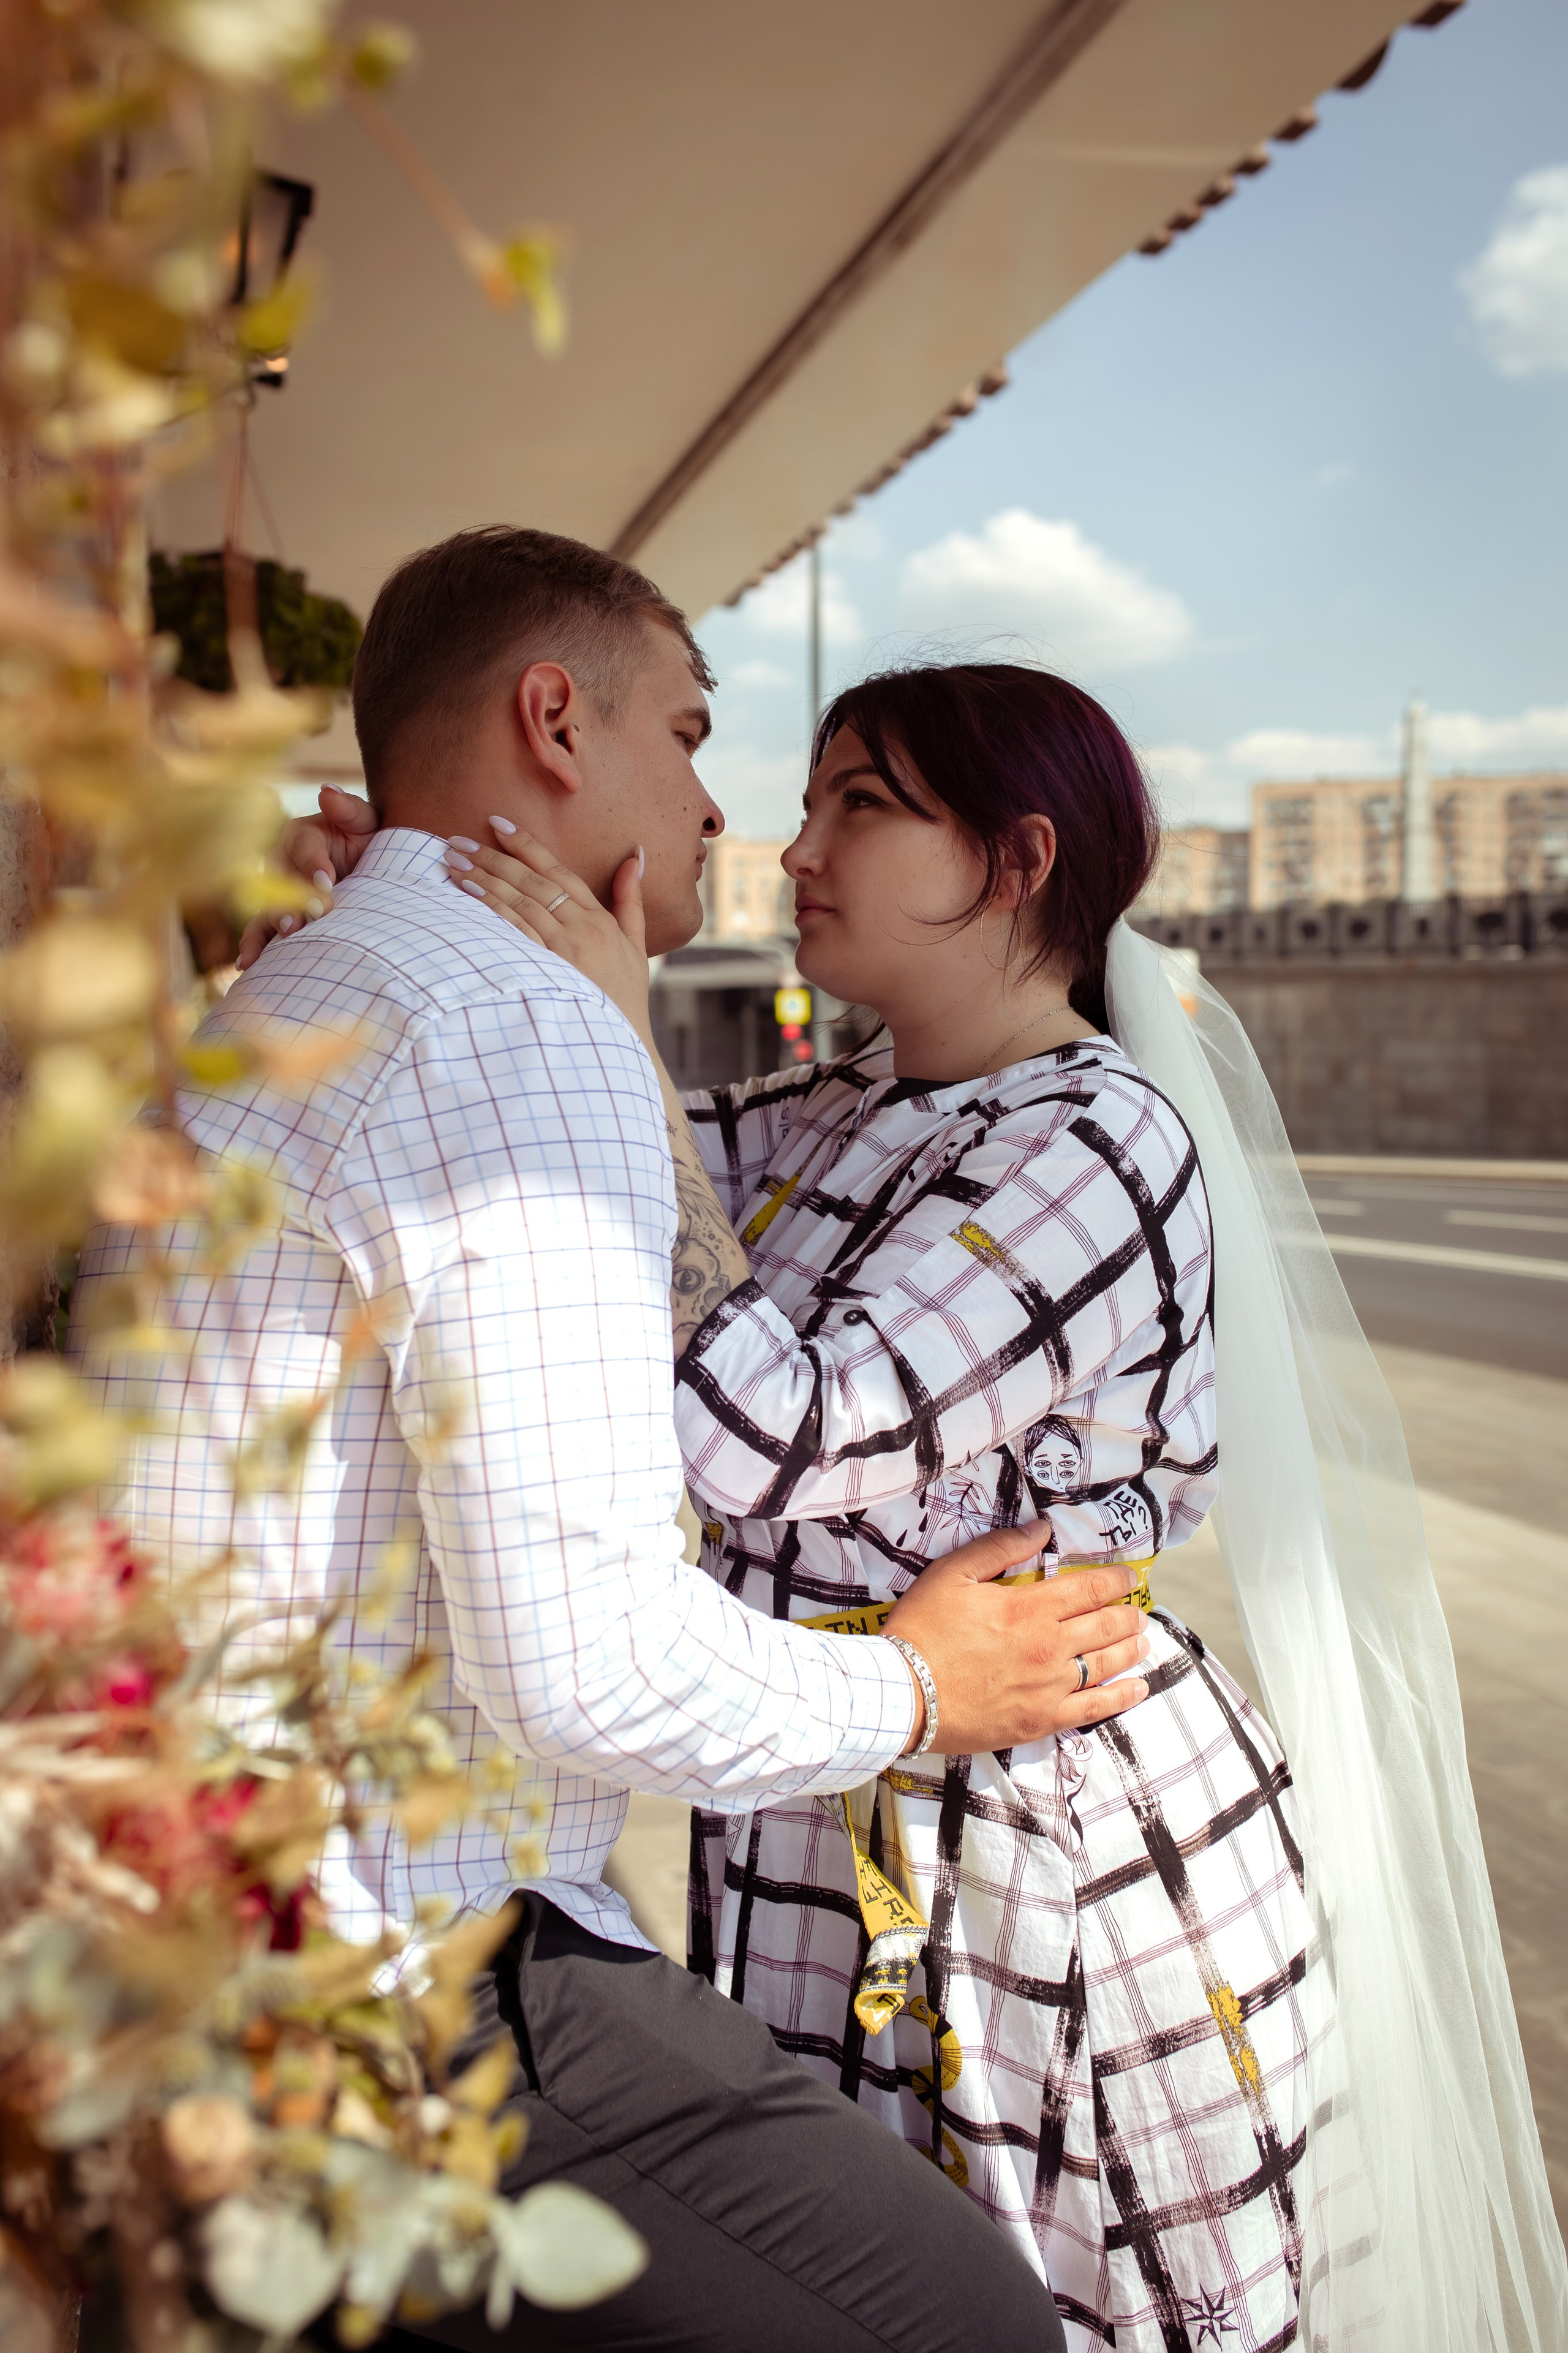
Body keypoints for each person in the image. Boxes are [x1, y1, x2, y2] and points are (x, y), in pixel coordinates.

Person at [69, 530, 1176, 2353]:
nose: (730, 808)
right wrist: (915, 1690)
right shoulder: (520, 1021)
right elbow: (582, 1656)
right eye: (692, 729)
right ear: (557, 722)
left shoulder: (295, 987)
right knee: (968, 2321)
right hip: (389, 1966)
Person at [420, 665, 1310, 2353]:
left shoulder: (1097, 1140)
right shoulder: (833, 1109)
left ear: (1016, 858)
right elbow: (595, 1163)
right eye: (811, 798)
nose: (800, 843)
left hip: (1034, 1838)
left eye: (862, 803)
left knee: (1034, 2301)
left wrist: (614, 1023)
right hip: (843, 1782)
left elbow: (764, 1430)